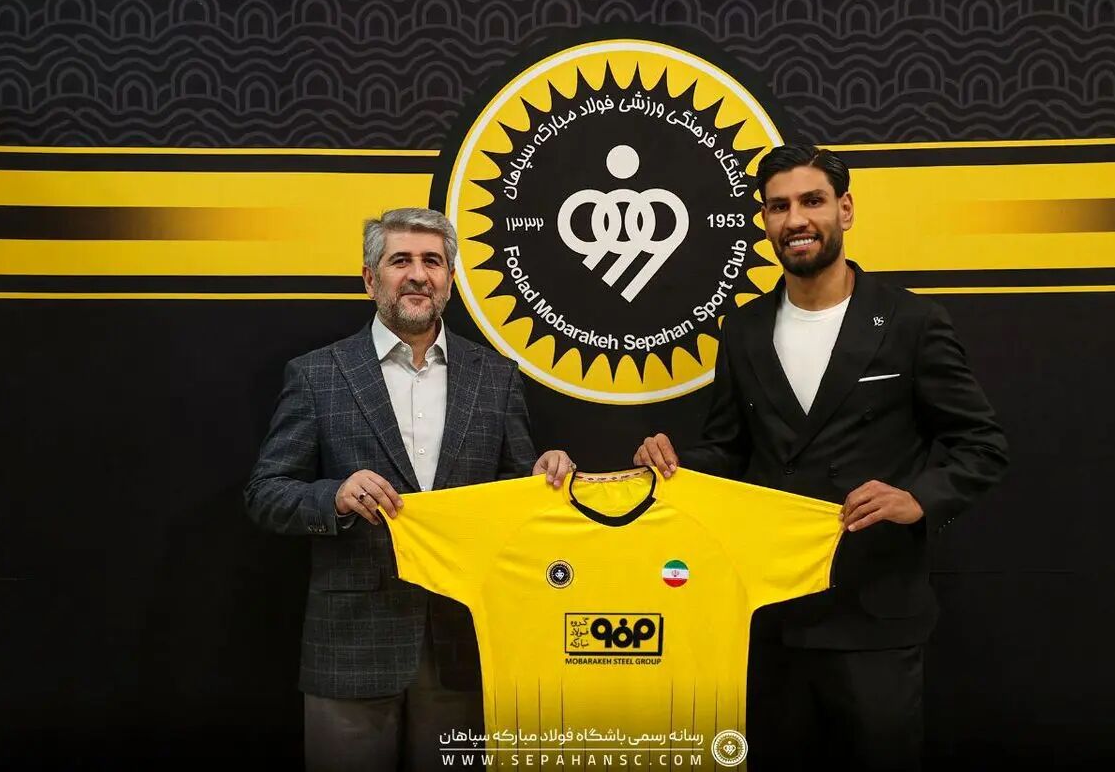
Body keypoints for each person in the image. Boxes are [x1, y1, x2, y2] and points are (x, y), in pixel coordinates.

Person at [633, 144, 1009, 770]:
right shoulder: (744, 329)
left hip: (875, 613)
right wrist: (672, 466)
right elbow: (730, 450)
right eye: (778, 207)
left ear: (846, 209)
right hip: (771, 613)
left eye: (812, 201)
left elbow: (982, 445)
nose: (796, 219)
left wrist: (918, 499)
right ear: (764, 222)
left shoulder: (912, 321)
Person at [245, 207, 573, 772]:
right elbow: (265, 492)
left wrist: (544, 478)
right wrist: (334, 496)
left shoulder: (497, 376)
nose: (418, 275)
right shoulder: (318, 375)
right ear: (370, 278)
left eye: (432, 262)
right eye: (401, 260)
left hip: (464, 644)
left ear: (450, 278)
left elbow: (516, 495)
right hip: (351, 646)